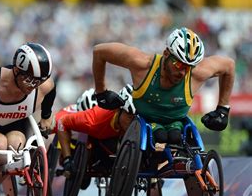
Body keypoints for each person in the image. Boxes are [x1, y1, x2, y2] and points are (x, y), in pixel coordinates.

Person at [92, 27, 235, 143]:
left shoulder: (197, 73)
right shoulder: (143, 64)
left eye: (188, 67)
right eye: (178, 64)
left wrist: (223, 109)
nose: (183, 72)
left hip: (175, 124)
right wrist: (101, 92)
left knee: (174, 138)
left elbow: (229, 66)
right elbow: (99, 51)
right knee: (126, 120)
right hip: (141, 120)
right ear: (166, 54)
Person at [56, 85, 136, 178]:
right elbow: (62, 122)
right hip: (98, 138)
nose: (133, 122)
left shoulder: (136, 120)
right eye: (130, 116)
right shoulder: (93, 119)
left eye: (135, 117)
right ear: (119, 110)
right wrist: (67, 159)